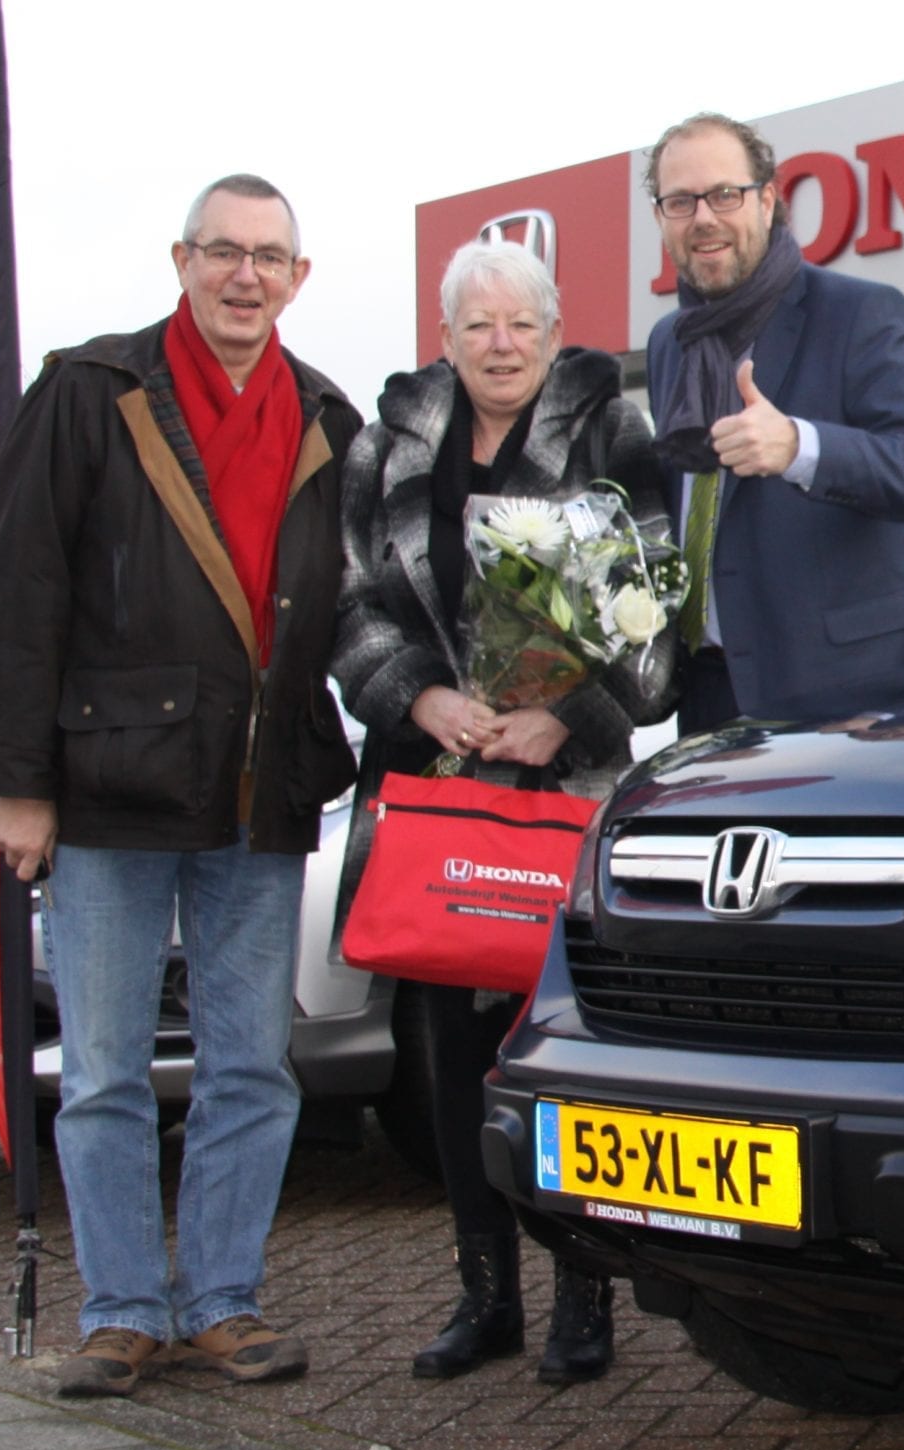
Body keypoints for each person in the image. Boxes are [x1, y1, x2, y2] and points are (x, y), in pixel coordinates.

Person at [0, 174, 360, 1398]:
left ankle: (224, 1301)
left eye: (269, 257)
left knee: (251, 1067)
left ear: (298, 278)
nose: (246, 275)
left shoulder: (328, 415)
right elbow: (18, 587)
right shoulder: (92, 391)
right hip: (108, 787)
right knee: (103, 1073)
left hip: (260, 789)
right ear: (181, 260)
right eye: (223, 251)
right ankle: (125, 1309)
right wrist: (17, 779)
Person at [329, 239, 674, 1386]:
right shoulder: (386, 445)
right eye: (476, 324)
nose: (500, 343)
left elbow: (653, 612)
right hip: (435, 785)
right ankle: (484, 1297)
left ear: (555, 330)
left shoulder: (610, 431)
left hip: (558, 789)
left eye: (521, 322)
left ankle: (583, 1294)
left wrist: (562, 713)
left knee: (560, 1046)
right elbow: (349, 601)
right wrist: (417, 696)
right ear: (444, 338)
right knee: (449, 1054)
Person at [642, 112, 904, 733]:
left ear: (766, 201)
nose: (703, 218)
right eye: (680, 201)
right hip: (713, 694)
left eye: (724, 194)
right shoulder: (668, 343)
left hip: (855, 699)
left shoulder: (858, 312)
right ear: (661, 218)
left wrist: (799, 446)